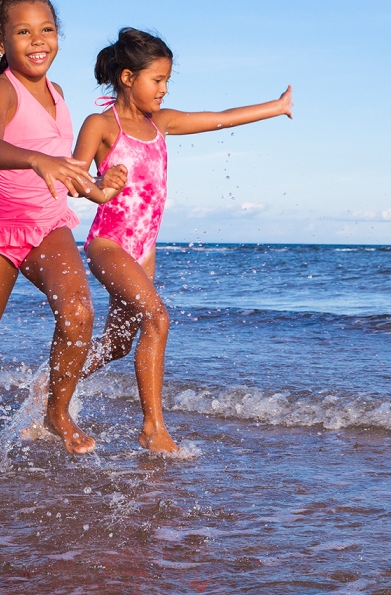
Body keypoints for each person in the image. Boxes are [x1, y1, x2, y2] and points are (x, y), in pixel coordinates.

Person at [0, 0, 127, 455]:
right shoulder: (0, 88)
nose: (38, 40)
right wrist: (36, 160)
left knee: (79, 314)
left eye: (47, 29)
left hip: (47, 225)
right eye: (23, 32)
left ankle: (56, 413)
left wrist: (98, 191)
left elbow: (64, 167)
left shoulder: (59, 93)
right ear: (1, 42)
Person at [74, 28, 292, 452]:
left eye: (167, 81)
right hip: (108, 244)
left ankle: (52, 388)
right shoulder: (101, 124)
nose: (164, 88)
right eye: (157, 80)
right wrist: (99, 181)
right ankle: (153, 429)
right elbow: (72, 178)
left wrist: (277, 106)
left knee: (118, 345)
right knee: (158, 319)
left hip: (144, 253)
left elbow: (221, 117)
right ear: (126, 77)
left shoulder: (162, 123)